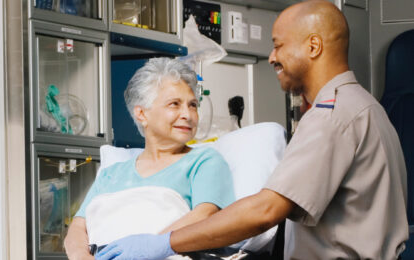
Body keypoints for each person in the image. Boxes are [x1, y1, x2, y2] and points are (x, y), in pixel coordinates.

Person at [96, 1, 409, 259]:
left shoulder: (332, 115)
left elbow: (265, 211)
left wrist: (164, 243)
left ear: (313, 46)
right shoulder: (363, 107)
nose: (272, 57)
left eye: (278, 46)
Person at [63, 58, 236, 260]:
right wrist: (80, 256)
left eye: (193, 105)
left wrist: (149, 248)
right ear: (142, 114)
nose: (187, 115)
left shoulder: (204, 161)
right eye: (174, 104)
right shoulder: (112, 173)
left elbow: (206, 217)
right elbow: (77, 228)